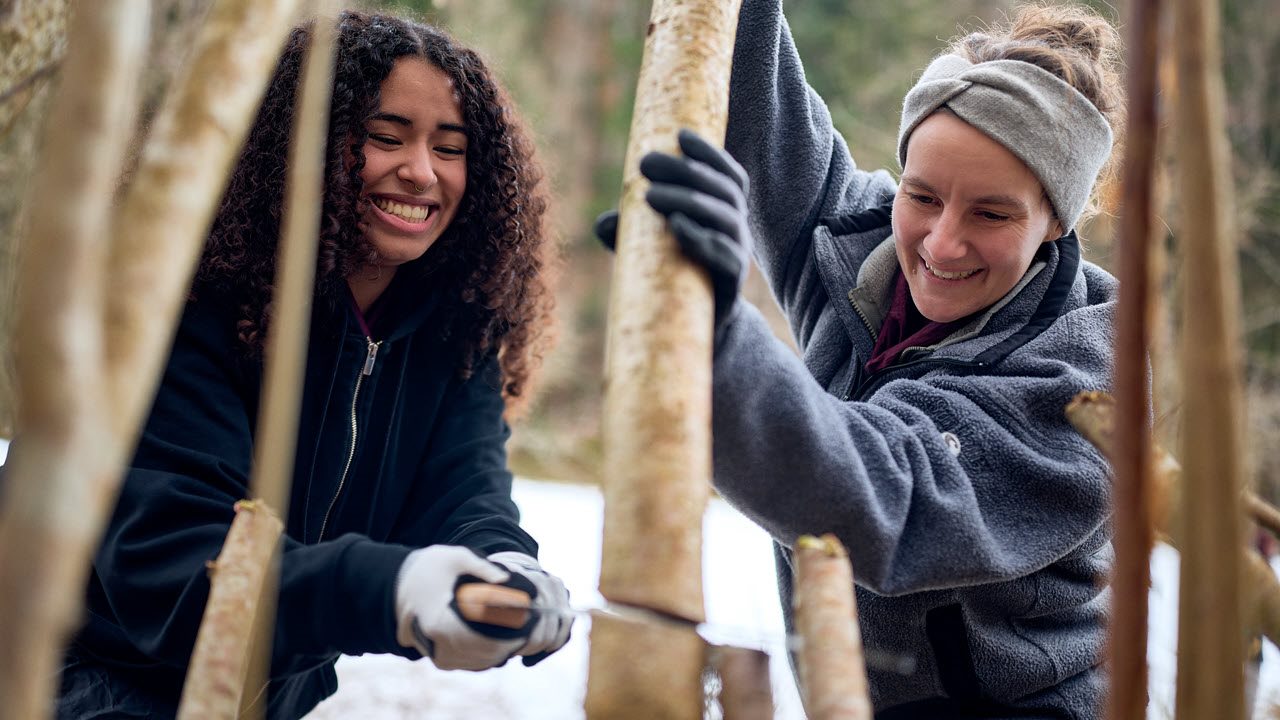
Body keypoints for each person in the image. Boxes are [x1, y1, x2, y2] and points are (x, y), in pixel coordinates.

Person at [599, 1, 1122, 717]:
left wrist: (715, 334)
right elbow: (762, 110)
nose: (940, 245)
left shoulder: (1083, 383)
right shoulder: (853, 245)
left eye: (992, 214)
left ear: (1056, 223)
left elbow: (888, 496)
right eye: (923, 196)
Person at [57, 11, 571, 720]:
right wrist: (389, 590)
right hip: (73, 677)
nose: (420, 172)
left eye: (449, 149)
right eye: (385, 138)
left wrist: (508, 567)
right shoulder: (179, 306)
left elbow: (464, 495)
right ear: (298, 148)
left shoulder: (455, 336)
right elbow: (177, 565)